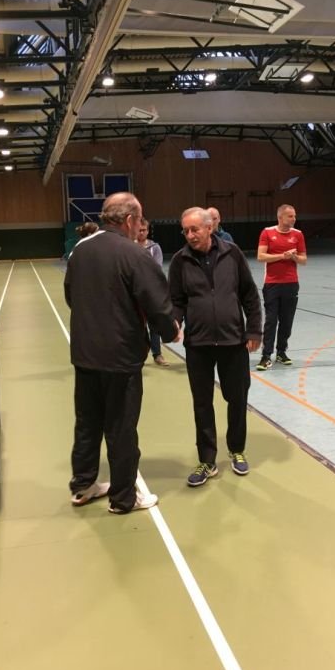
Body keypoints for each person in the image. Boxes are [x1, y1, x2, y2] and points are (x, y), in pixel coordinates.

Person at [64, 192, 180, 513]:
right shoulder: (134, 254)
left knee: (87, 423)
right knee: (121, 428)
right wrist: (171, 330)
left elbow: (71, 296)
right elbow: (156, 302)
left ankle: (83, 485)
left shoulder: (80, 249)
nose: (140, 227)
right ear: (129, 220)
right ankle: (124, 498)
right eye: (139, 221)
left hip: (85, 354)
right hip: (121, 357)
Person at [169, 207, 262, 487]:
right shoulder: (180, 260)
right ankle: (207, 460)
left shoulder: (232, 253)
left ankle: (237, 449)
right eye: (185, 230)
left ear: (209, 228)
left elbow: (249, 294)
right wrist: (174, 321)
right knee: (202, 403)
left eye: (194, 229)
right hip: (198, 344)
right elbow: (176, 300)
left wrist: (254, 330)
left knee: (237, 398)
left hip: (233, 341)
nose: (189, 235)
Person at [256, 204, 307, 371]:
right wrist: (282, 256)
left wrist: (294, 257)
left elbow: (304, 260)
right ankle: (266, 355)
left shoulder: (298, 234)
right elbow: (261, 256)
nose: (294, 219)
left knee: (287, 321)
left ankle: (281, 352)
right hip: (272, 284)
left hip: (291, 283)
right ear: (280, 217)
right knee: (271, 320)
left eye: (294, 216)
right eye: (290, 216)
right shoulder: (267, 232)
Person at [136, 218, 169, 366]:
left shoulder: (155, 248)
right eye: (139, 230)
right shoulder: (129, 246)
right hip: (134, 293)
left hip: (151, 293)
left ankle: (157, 354)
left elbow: (157, 268)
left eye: (144, 230)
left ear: (148, 231)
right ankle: (138, 354)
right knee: (136, 324)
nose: (141, 233)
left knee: (154, 325)